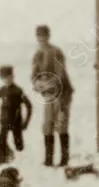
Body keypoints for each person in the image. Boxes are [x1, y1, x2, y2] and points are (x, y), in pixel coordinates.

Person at [31, 25, 74, 167]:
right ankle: (48, 160)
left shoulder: (56, 52)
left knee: (61, 124)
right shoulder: (37, 55)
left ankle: (64, 160)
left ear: (48, 36)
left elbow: (60, 74)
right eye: (39, 36)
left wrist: (48, 83)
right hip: (48, 95)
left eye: (44, 36)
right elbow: (34, 76)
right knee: (48, 125)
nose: (41, 39)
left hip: (62, 93)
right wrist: (38, 84)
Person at [0, 65, 33, 158]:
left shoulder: (18, 91)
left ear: (13, 77)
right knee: (2, 143)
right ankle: (3, 159)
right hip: (4, 121)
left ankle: (21, 162)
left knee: (19, 146)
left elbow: (29, 106)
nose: (6, 80)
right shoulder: (2, 90)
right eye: (4, 78)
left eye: (9, 78)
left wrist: (25, 123)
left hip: (16, 122)